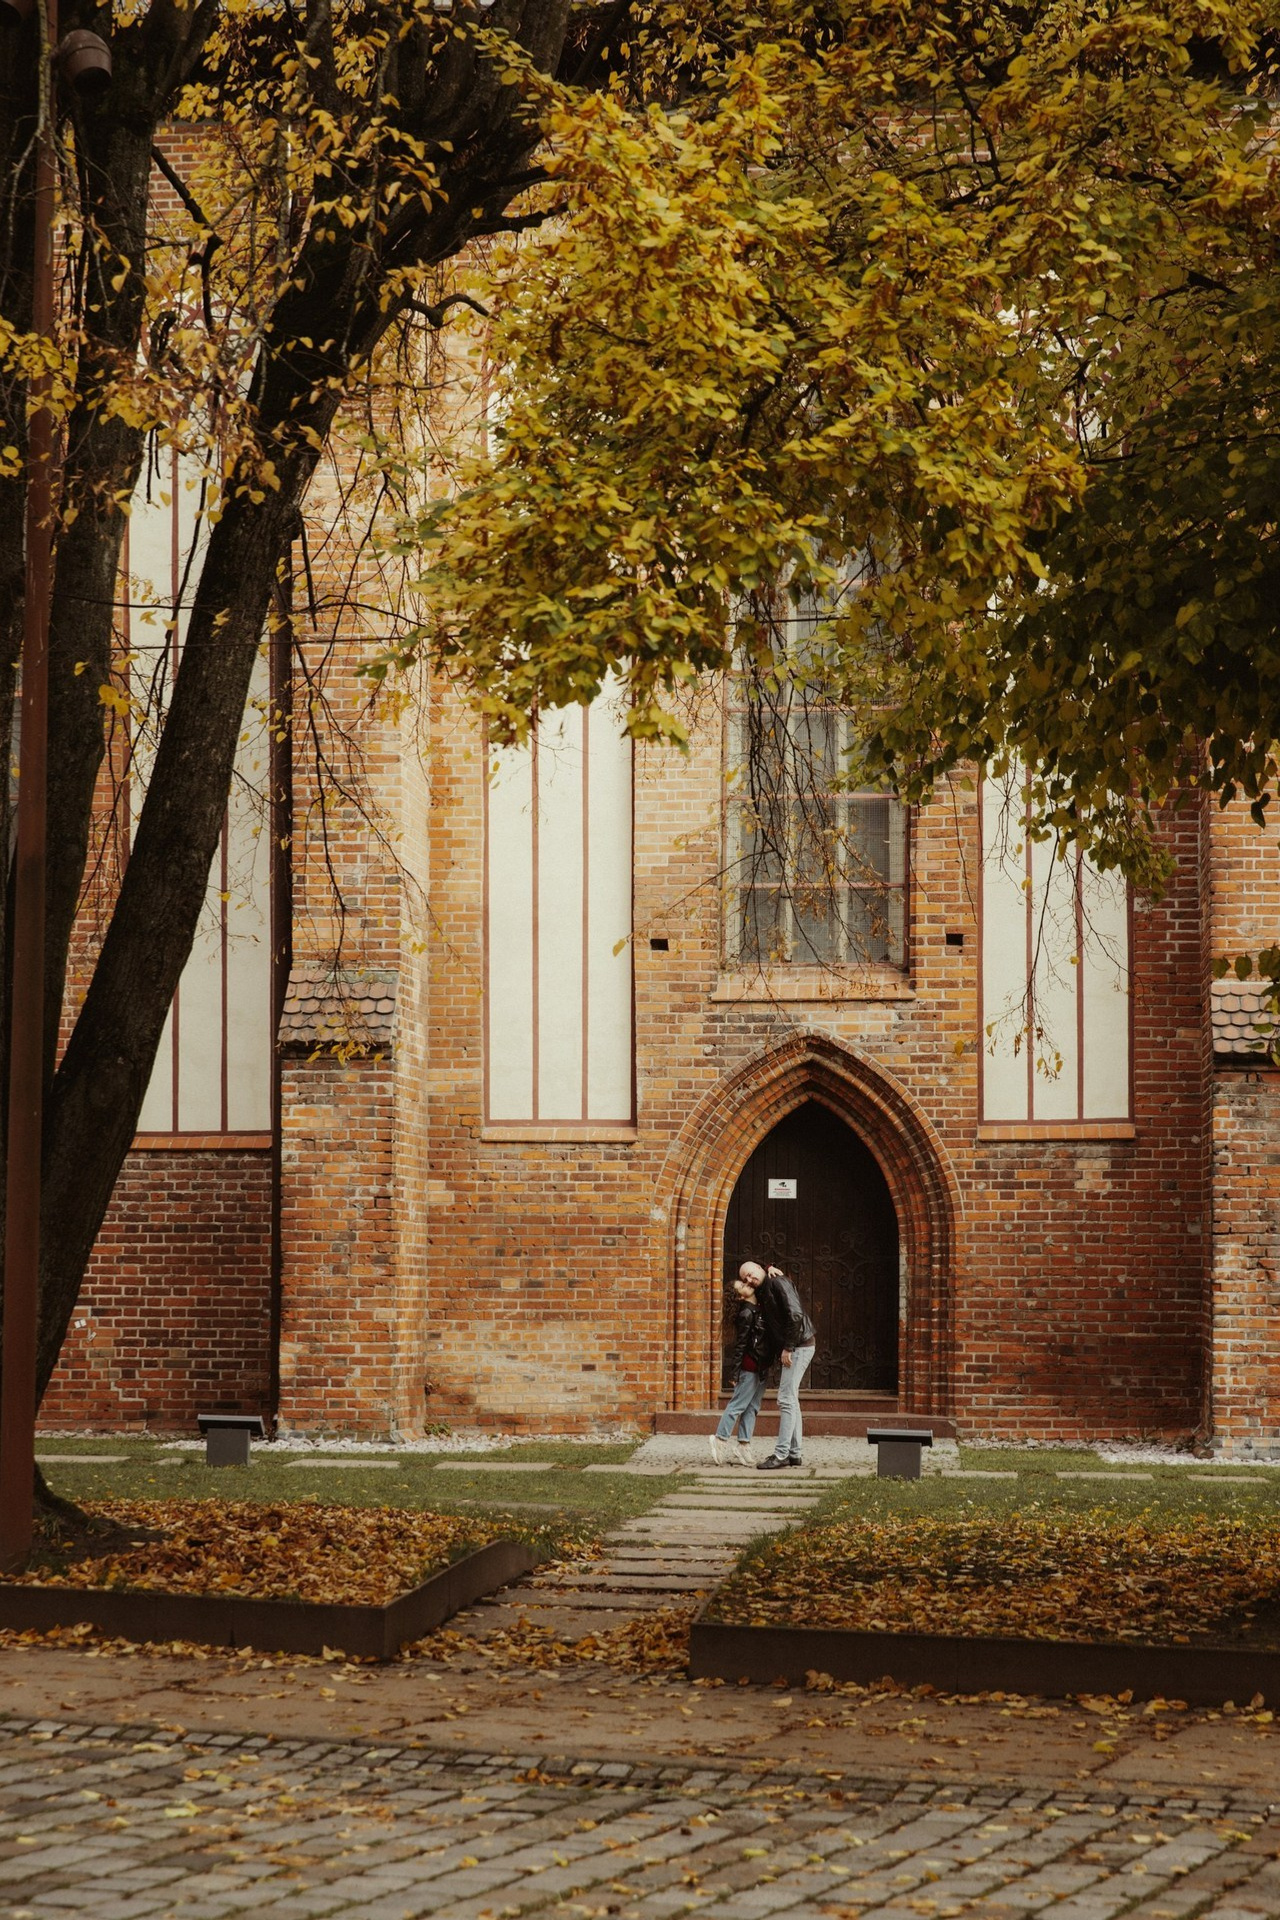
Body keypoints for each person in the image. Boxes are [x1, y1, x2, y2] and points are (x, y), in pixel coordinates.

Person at [749, 1261, 816, 1470]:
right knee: (791, 1398)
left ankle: (781, 1454)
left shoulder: (777, 1282)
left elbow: (795, 1315)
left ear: (760, 1269)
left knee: (785, 1398)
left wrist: (788, 1347)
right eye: (745, 1279)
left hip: (799, 1345)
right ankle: (794, 1454)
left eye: (751, 1274)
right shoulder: (766, 1287)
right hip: (797, 1345)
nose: (749, 1280)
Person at [709, 1274, 773, 1466]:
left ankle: (743, 1445)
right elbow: (741, 1345)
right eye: (742, 1286)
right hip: (750, 1365)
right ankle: (720, 1439)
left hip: (761, 1365)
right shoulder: (746, 1313)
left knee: (752, 1407)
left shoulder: (758, 1306)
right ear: (739, 1297)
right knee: (738, 1404)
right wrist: (734, 1372)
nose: (747, 1285)